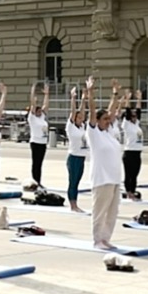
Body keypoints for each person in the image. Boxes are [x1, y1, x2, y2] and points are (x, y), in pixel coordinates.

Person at [87, 82, 126, 249]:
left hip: (115, 178)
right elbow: (92, 111)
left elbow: (112, 110)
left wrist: (115, 93)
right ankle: (97, 240)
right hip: (102, 179)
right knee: (100, 212)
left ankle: (106, 239)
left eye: (108, 119)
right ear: (97, 121)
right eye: (104, 119)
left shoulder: (109, 133)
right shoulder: (93, 133)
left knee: (112, 213)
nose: (108, 121)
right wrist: (90, 93)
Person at [64, 78, 92, 213]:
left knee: (77, 182)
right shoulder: (71, 127)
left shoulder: (82, 127)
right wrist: (73, 98)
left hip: (81, 158)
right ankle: (73, 204)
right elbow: (74, 110)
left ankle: (75, 203)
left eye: (82, 118)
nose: (81, 119)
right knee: (73, 182)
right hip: (73, 157)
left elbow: (82, 111)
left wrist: (84, 98)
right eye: (78, 118)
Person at [25, 84, 50, 188]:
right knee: (36, 163)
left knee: (40, 163)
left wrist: (47, 94)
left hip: (43, 143)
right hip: (35, 142)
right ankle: (35, 182)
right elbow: (33, 104)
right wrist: (32, 92)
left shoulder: (42, 118)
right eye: (38, 111)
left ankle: (38, 181)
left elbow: (46, 105)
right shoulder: (32, 118)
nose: (40, 112)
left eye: (40, 111)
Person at [120, 98, 145, 200]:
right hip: (129, 152)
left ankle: (133, 190)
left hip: (137, 152)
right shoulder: (126, 124)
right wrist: (127, 100)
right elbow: (127, 111)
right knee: (129, 174)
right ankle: (128, 191)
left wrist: (139, 98)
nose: (135, 117)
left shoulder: (136, 124)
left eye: (135, 116)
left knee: (135, 174)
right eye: (133, 116)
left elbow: (139, 112)